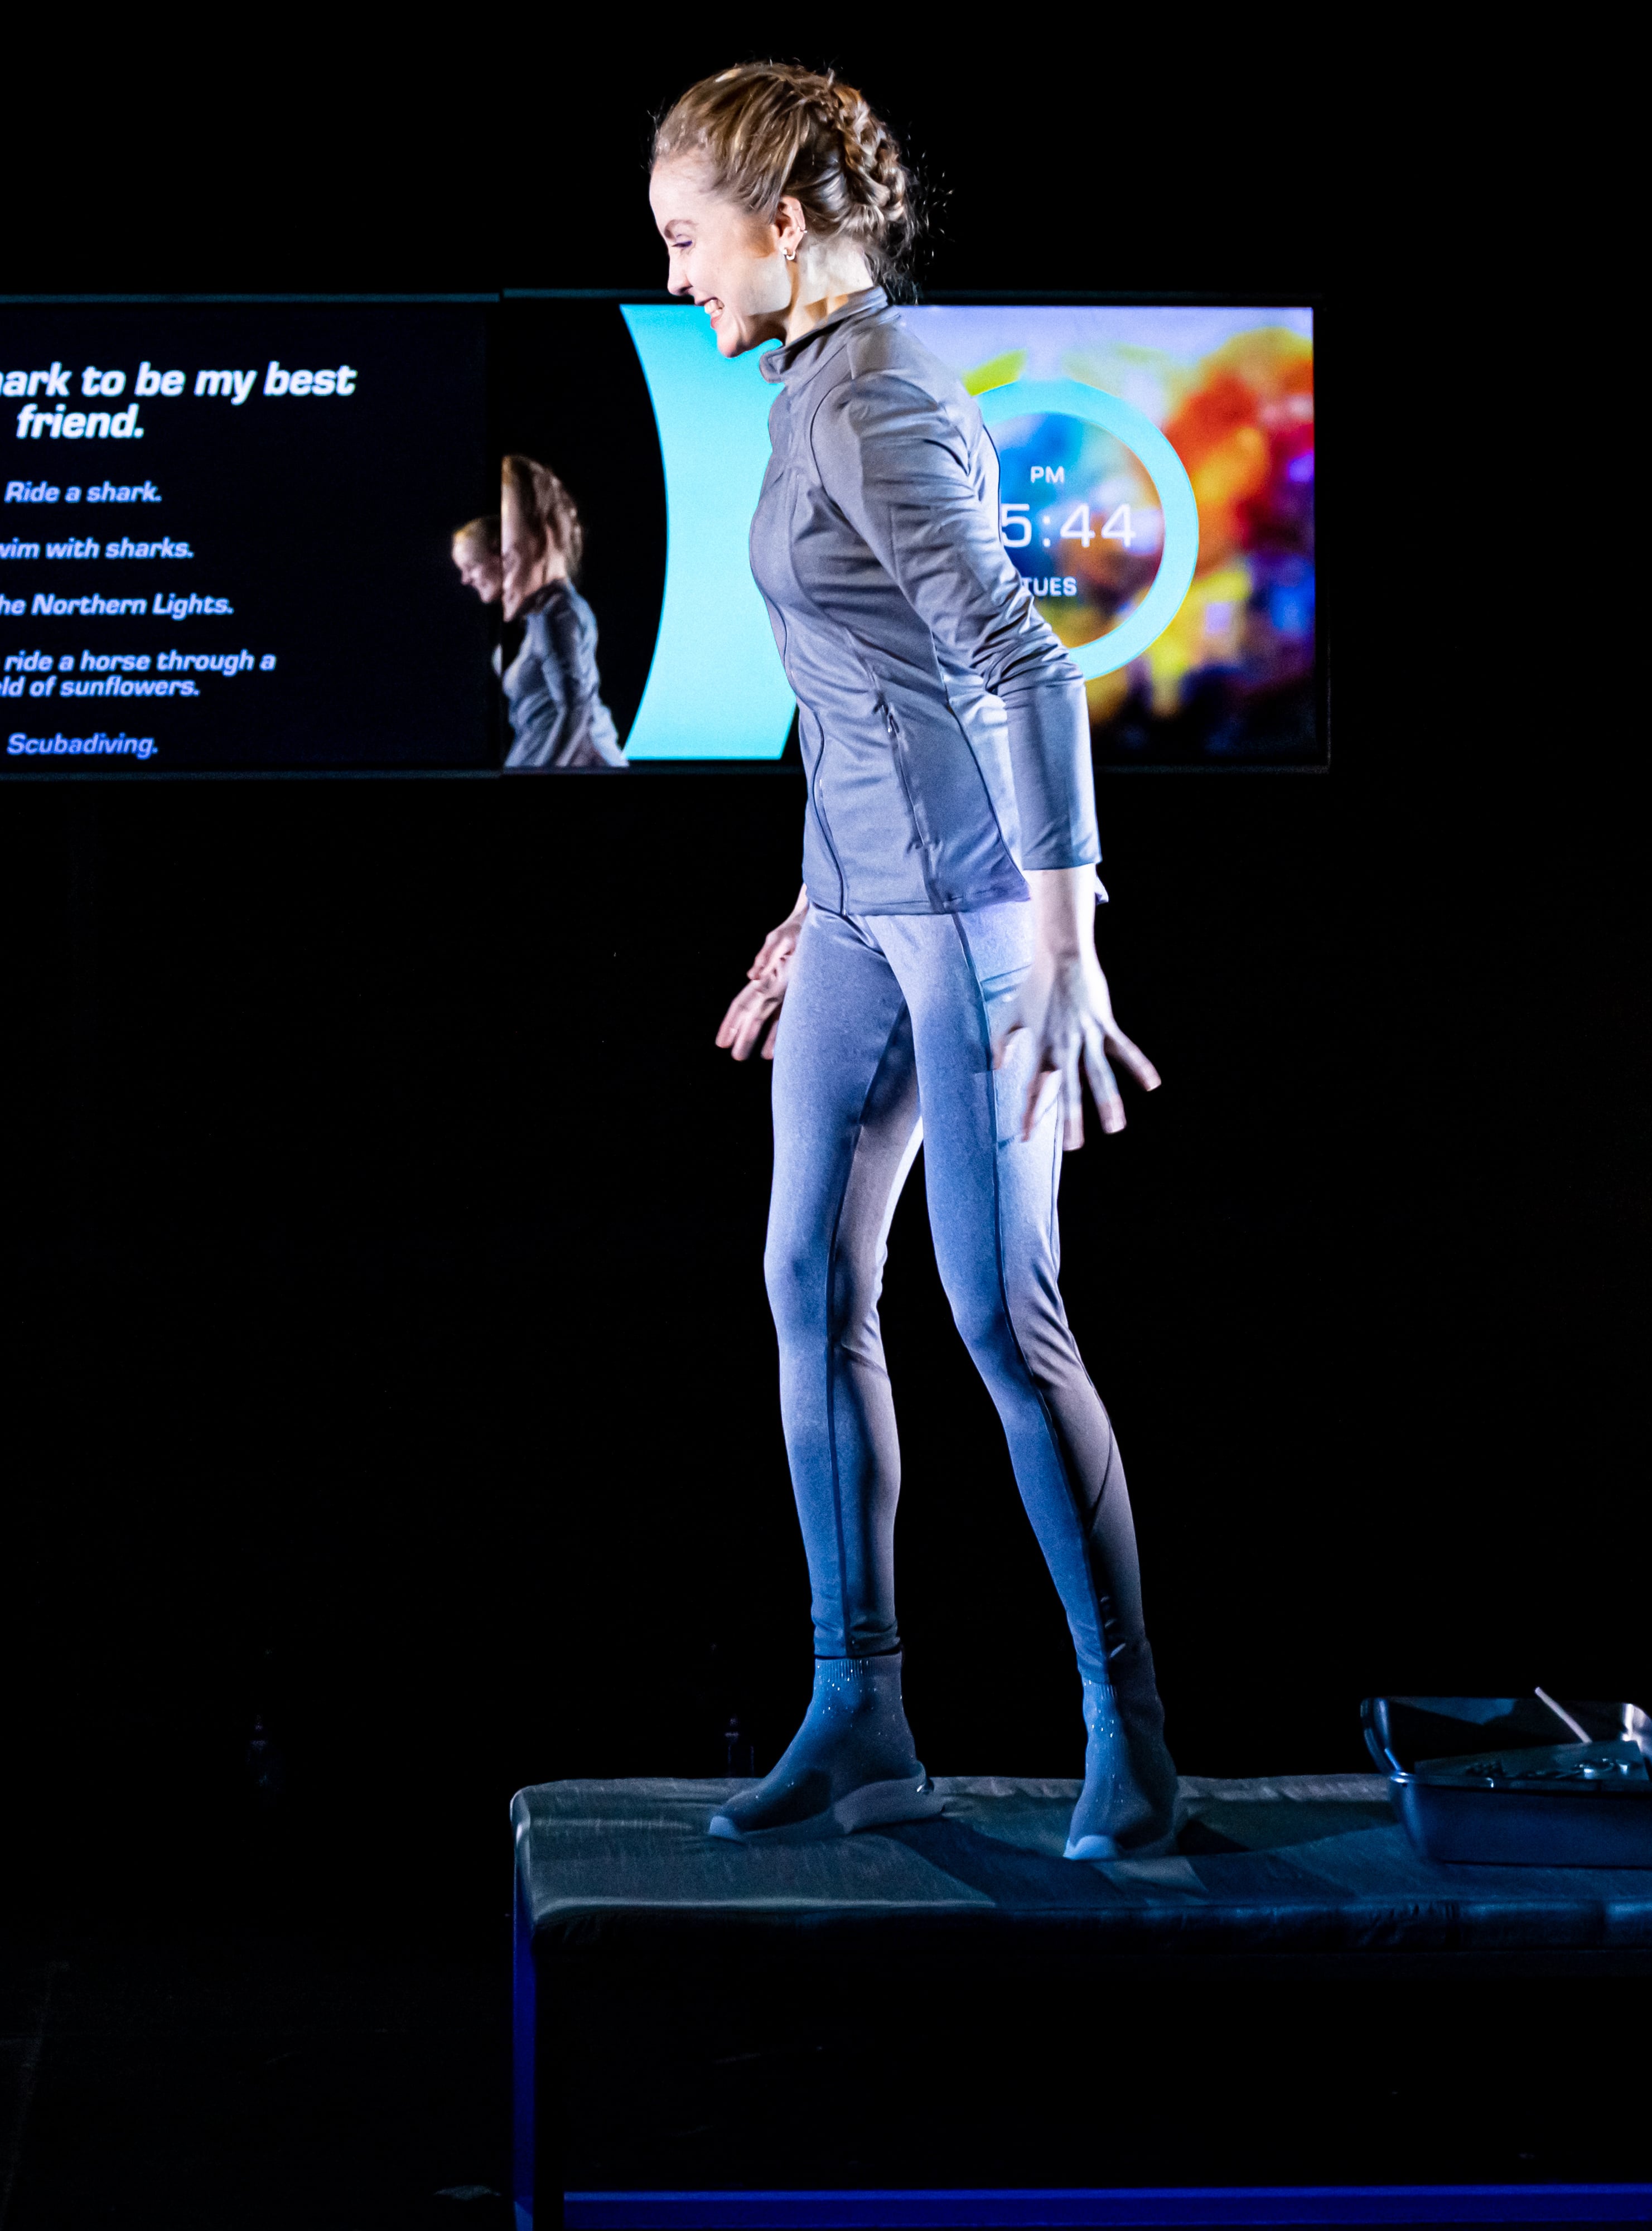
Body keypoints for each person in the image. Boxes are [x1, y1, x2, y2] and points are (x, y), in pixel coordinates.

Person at [655, 64, 1180, 1861]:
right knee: (804, 1275)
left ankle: (1128, 1734)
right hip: (860, 915)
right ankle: (859, 1714)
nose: (677, 276)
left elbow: (1023, 668)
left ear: (781, 223)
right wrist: (814, 905)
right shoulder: (807, 389)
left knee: (1000, 1320)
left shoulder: (874, 401)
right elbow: (853, 689)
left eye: (687, 238)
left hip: (971, 917)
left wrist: (1068, 943)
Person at [497, 456, 624, 768]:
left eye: (509, 561)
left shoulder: (559, 613)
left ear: (541, 539)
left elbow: (576, 709)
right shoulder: (544, 615)